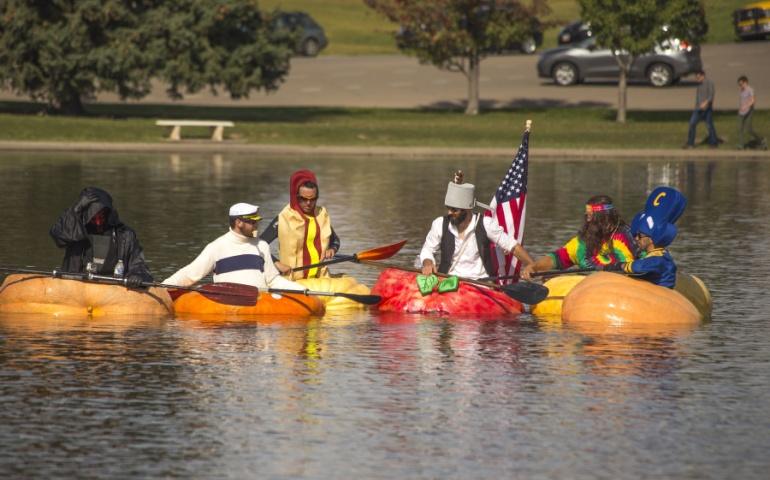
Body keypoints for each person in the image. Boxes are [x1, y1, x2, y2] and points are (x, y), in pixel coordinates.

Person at [419, 176, 535, 281]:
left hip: (480, 285)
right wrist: (427, 262)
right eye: (448, 208)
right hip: (447, 282)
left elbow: (513, 246)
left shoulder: (486, 224)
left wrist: (533, 266)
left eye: (454, 210)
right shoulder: (439, 224)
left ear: (467, 209)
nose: (449, 213)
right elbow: (427, 250)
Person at [163, 203, 302, 290]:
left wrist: (302, 290)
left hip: (260, 308)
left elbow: (273, 280)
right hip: (227, 309)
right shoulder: (216, 247)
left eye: (257, 221)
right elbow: (190, 274)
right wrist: (163, 287)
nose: (256, 225)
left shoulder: (262, 246)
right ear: (238, 223)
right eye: (252, 222)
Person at [49, 187, 152, 288]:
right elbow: (58, 235)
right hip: (76, 289)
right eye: (94, 219)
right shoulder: (75, 230)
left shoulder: (125, 235)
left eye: (101, 217)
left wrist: (137, 275)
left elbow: (139, 264)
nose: (98, 223)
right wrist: (76, 209)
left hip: (112, 292)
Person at [521, 195, 635, 278]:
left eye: (591, 216)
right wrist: (534, 267)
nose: (588, 220)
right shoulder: (582, 242)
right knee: (549, 278)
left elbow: (647, 259)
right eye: (587, 216)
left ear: (604, 217)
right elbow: (555, 258)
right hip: (589, 292)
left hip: (624, 288)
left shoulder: (629, 235)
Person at [259, 169, 340, 280]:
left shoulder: (321, 215)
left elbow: (335, 240)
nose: (308, 203)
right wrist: (277, 264)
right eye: (303, 199)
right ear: (296, 196)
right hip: (292, 280)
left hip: (320, 278)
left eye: (313, 199)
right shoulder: (283, 218)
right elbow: (259, 245)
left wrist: (332, 249)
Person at [606, 212, 677, 288]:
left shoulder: (659, 259)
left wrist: (620, 265)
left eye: (640, 236)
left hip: (661, 295)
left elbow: (639, 267)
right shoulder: (658, 254)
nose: (636, 238)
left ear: (651, 239)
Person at [684, 70, 719, 149]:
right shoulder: (699, 84)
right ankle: (690, 143)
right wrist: (697, 105)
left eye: (698, 77)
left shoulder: (709, 83)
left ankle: (713, 143)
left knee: (709, 125)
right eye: (696, 78)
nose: (697, 79)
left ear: (703, 76)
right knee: (692, 123)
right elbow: (698, 97)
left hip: (707, 109)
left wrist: (705, 103)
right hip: (698, 109)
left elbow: (711, 95)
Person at [736, 75, 766, 150]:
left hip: (749, 111)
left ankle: (761, 140)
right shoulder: (741, 90)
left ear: (746, 82)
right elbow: (742, 100)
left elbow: (753, 100)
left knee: (748, 129)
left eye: (741, 84)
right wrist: (741, 108)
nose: (740, 86)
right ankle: (741, 145)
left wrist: (746, 106)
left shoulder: (750, 90)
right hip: (741, 112)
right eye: (739, 84)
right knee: (739, 128)